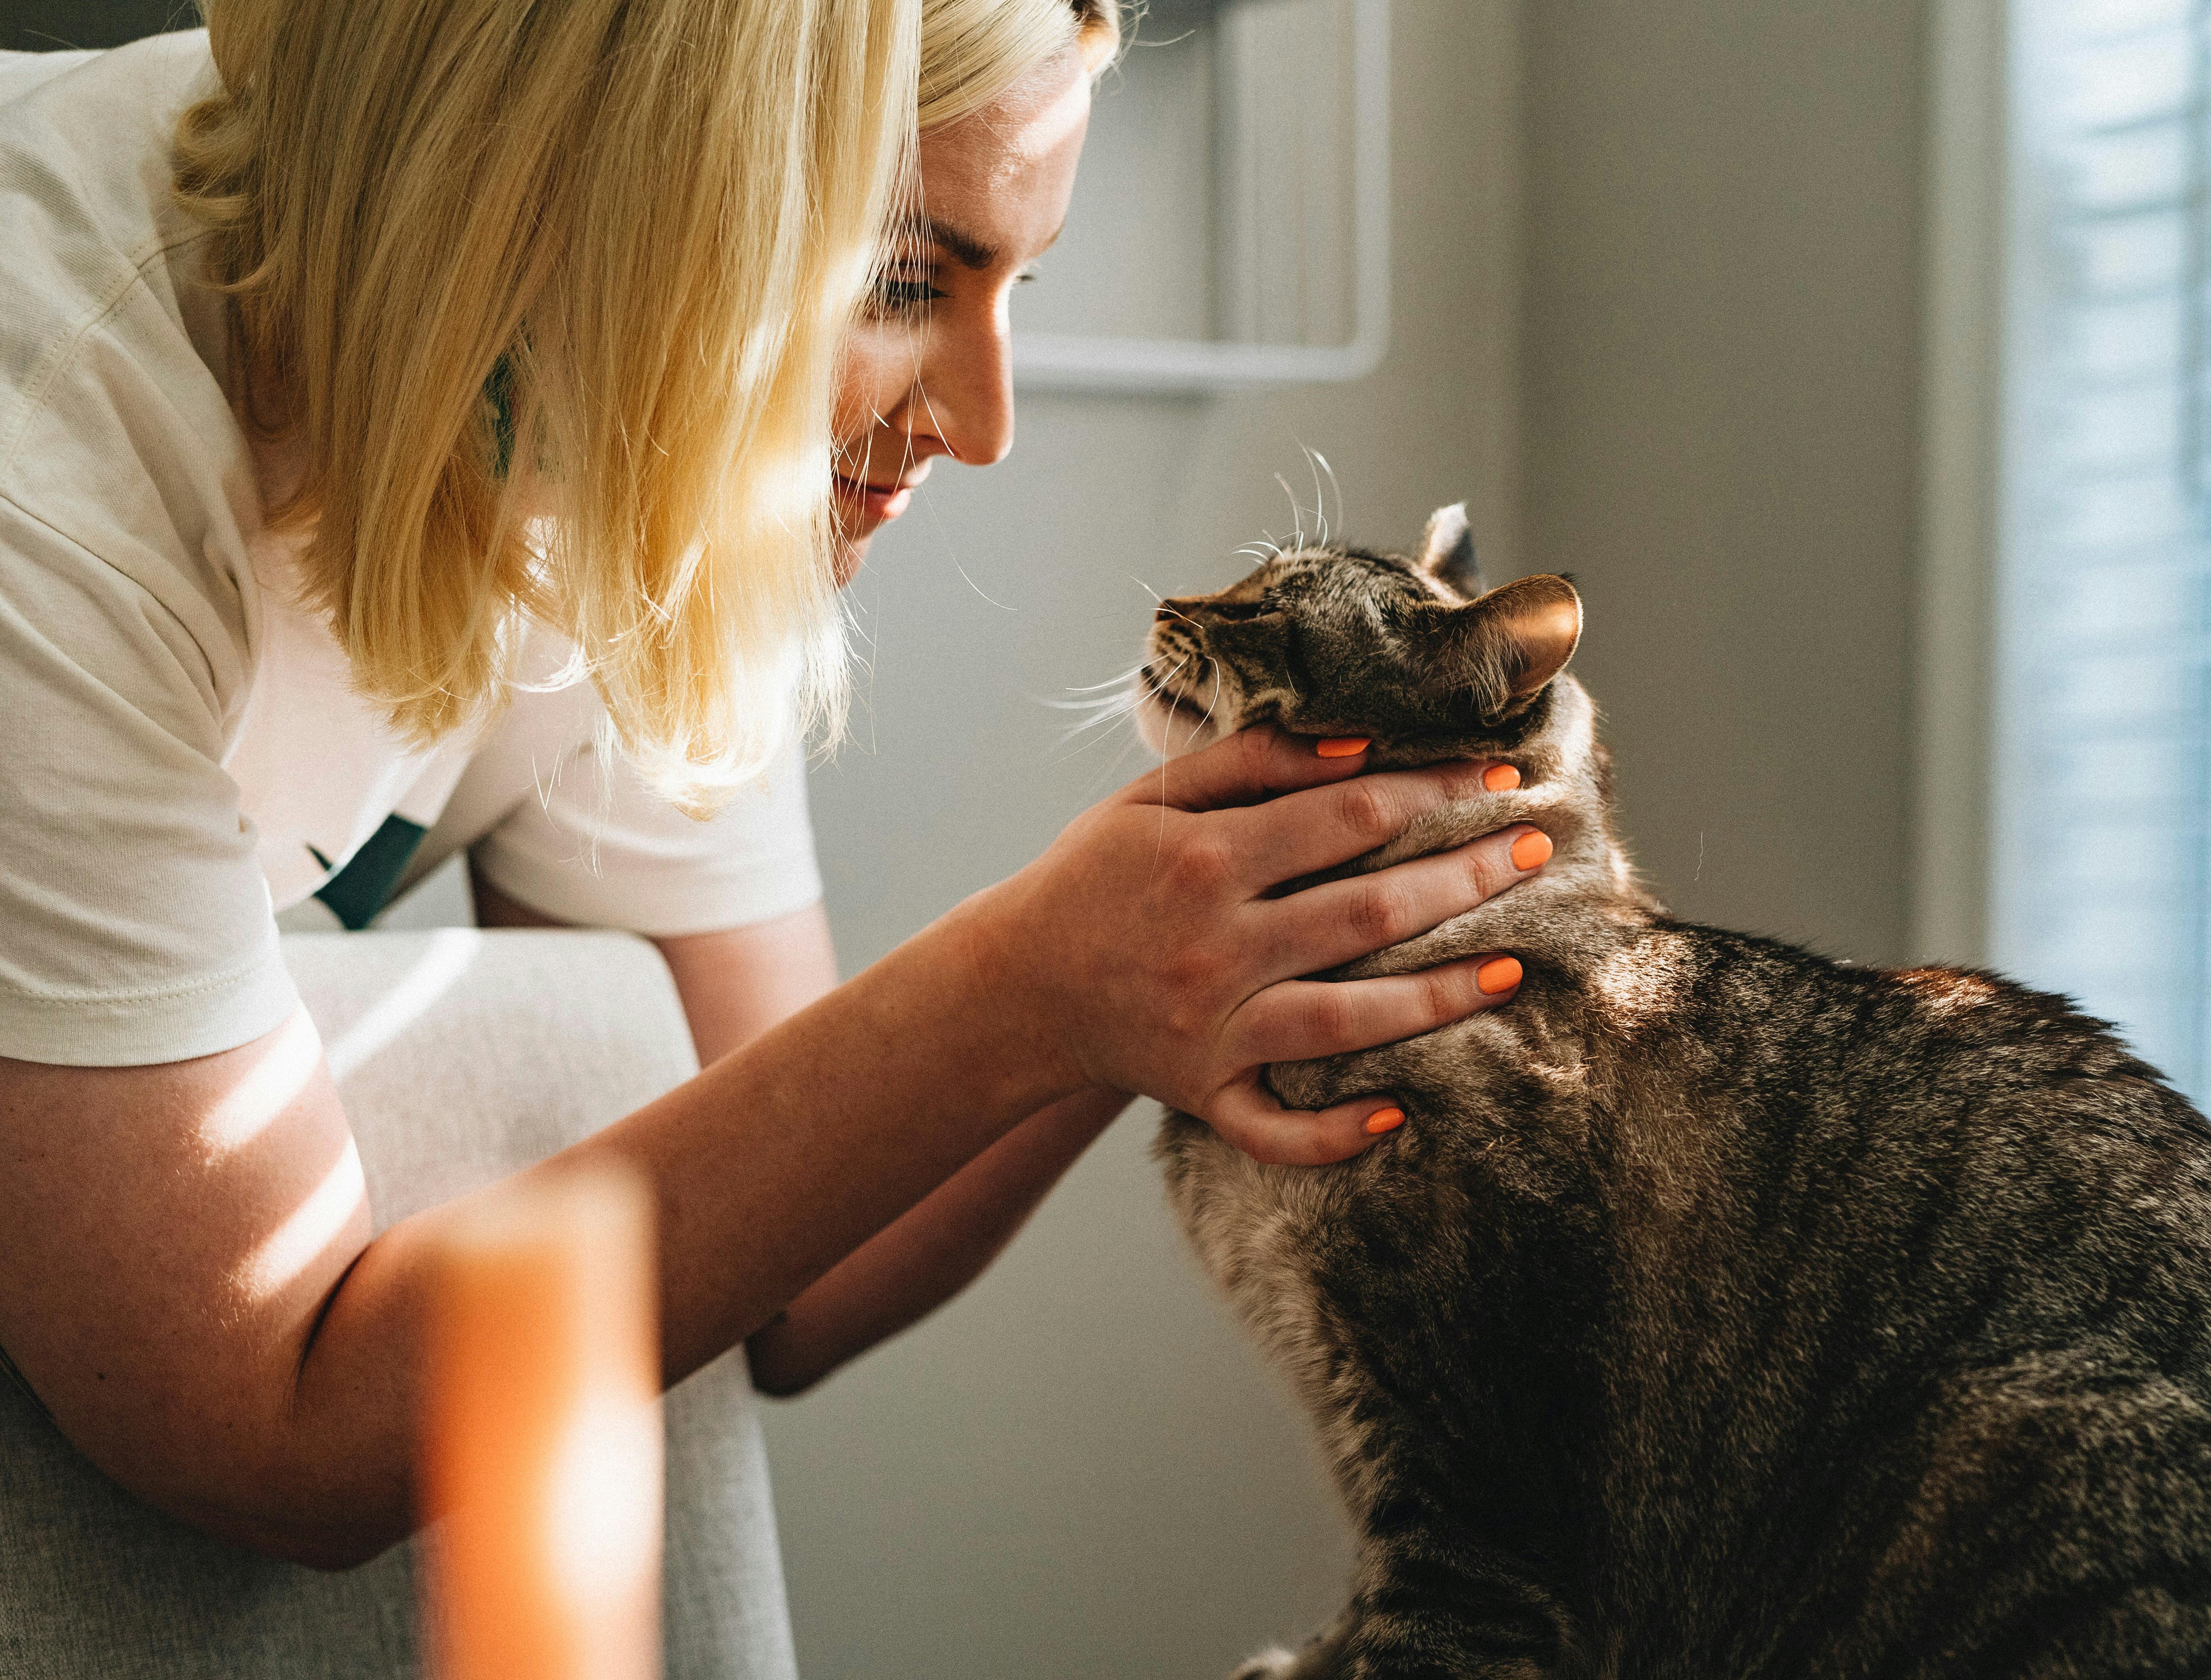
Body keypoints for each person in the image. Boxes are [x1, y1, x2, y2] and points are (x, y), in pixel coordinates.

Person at [0, 0, 1545, 1583]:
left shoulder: (614, 411)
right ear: (576, 199)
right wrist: (1033, 983)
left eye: (1017, 283)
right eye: (900, 281)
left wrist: (1169, 953)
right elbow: (272, 1426)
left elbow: (802, 1268)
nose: (986, 424)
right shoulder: (49, 490)